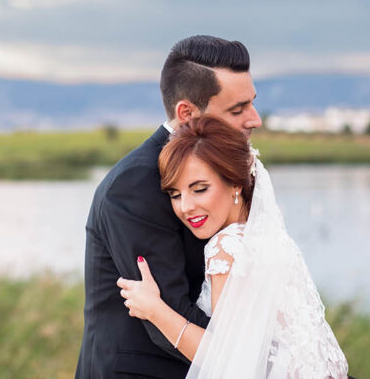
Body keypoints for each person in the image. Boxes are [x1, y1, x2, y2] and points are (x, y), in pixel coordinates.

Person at [76, 35, 262, 378]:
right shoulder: (135, 184)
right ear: (186, 113)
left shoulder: (232, 172)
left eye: (251, 104)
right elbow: (168, 317)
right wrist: (274, 363)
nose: (255, 119)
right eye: (237, 110)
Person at [117, 115, 349, 378]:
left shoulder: (225, 247)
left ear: (235, 183)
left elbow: (228, 358)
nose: (185, 207)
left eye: (199, 189)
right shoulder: (270, 239)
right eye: (175, 194)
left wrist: (154, 310)